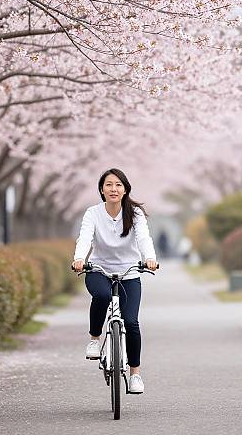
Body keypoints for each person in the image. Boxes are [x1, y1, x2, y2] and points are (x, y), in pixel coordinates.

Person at [72, 168, 158, 394]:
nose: (113, 189)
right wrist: (79, 259)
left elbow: (143, 238)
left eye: (118, 185)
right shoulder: (93, 213)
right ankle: (94, 338)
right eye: (109, 185)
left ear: (125, 189)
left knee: (131, 322)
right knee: (101, 296)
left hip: (129, 272)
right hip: (99, 269)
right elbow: (85, 237)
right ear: (101, 189)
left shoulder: (135, 214)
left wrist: (149, 258)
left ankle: (135, 374)